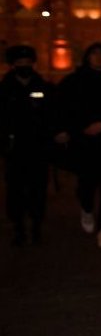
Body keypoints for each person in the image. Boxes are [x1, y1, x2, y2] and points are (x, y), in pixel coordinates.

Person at [54, 42, 101, 248]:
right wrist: (73, 128)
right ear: (87, 57)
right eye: (94, 54)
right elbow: (61, 109)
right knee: (86, 185)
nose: (98, 57)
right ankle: (86, 208)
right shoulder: (73, 82)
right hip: (84, 143)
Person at [0, 45, 56, 246]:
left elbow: (52, 115)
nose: (24, 65)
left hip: (38, 148)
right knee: (15, 190)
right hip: (14, 148)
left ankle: (36, 225)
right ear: (12, 65)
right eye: (20, 63)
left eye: (27, 62)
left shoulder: (43, 87)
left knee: (37, 189)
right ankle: (18, 227)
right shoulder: (4, 89)